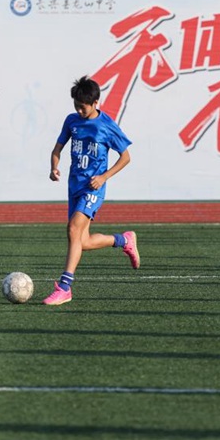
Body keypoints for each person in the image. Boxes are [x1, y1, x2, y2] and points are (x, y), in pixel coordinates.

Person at [43, 75, 139, 306]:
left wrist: (104, 177)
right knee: (82, 241)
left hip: (93, 188)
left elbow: (126, 157)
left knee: (73, 228)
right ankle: (123, 240)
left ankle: (65, 287)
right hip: (74, 187)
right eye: (76, 106)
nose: (79, 110)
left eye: (83, 107)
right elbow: (57, 148)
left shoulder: (106, 125)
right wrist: (54, 167)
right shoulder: (71, 121)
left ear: (96, 102)